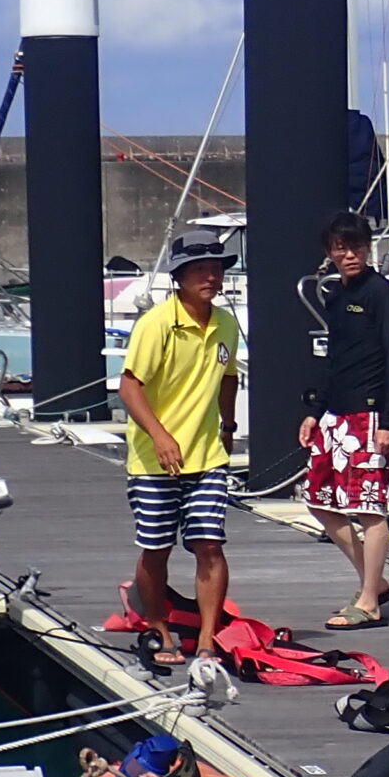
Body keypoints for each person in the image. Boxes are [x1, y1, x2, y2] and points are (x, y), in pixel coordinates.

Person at [116, 227, 242, 677]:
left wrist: (228, 425)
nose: (210, 276)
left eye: (216, 268)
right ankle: (158, 626)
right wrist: (160, 435)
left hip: (207, 454)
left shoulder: (227, 322)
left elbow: (229, 375)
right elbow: (129, 388)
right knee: (156, 547)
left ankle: (207, 638)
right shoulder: (156, 324)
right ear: (179, 277)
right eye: (199, 270)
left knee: (209, 543)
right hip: (153, 459)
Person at [299, 209, 389, 630]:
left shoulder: (383, 294)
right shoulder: (335, 297)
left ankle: (369, 602)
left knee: (369, 508)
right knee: (319, 500)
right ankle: (374, 581)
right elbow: (334, 360)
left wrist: (388, 422)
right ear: (329, 252)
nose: (351, 254)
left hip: (370, 413)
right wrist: (314, 412)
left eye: (357, 245)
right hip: (335, 414)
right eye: (341, 247)